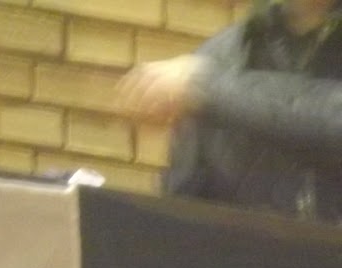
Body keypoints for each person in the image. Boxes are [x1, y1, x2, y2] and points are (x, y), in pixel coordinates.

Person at [117, 0, 342, 219]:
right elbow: (184, 202)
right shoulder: (222, 54)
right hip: (245, 243)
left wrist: (209, 87)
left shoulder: (204, 77)